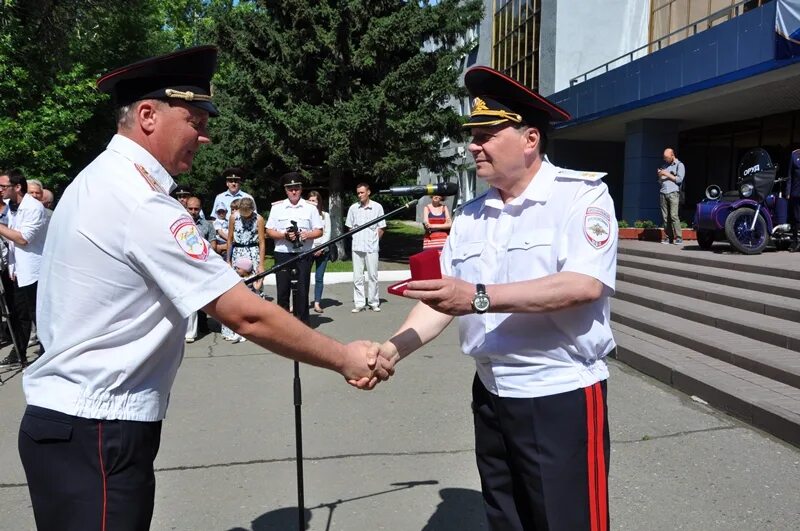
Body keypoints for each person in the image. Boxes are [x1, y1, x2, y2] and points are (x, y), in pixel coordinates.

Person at [17, 46, 393, 531]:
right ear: (148, 115)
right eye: (194, 118)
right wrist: (343, 358)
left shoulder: (98, 179)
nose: (205, 135)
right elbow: (246, 314)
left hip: (77, 426)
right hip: (97, 431)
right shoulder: (141, 202)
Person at [377, 66, 616, 531]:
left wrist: (480, 297)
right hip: (491, 394)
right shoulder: (470, 215)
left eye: (486, 133)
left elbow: (582, 285)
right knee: (507, 521)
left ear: (530, 139)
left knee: (570, 522)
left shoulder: (580, 198)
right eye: (472, 135)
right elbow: (441, 298)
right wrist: (392, 350)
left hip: (558, 394)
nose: (473, 145)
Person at [0, 169, 48, 367]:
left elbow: (23, 238)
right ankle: (19, 354)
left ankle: (47, 355)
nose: (0, 190)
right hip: (17, 270)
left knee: (39, 315)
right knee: (19, 314)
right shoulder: (11, 206)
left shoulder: (34, 208)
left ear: (17, 187)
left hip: (34, 271)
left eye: (3, 186)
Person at [266, 172, 322, 323]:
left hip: (303, 252)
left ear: (301, 189)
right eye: (290, 189)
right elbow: (269, 230)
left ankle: (302, 323)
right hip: (283, 252)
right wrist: (284, 235)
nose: (294, 191)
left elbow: (319, 230)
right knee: (283, 290)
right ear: (285, 190)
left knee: (302, 290)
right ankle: (283, 324)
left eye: (296, 188)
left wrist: (307, 235)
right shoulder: (277, 208)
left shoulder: (310, 208)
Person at [345, 183, 385, 312]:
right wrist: (356, 238)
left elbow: (381, 227)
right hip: (357, 247)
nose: (360, 195)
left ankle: (373, 302)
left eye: (362, 192)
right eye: (358, 193)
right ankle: (359, 303)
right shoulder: (353, 208)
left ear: (368, 192)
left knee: (373, 275)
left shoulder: (377, 207)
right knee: (358, 276)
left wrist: (375, 241)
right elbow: (350, 227)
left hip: (371, 247)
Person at [185, 196, 216, 343]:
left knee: (203, 298)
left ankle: (202, 326)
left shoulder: (207, 225)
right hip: (184, 265)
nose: (193, 211)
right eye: (190, 208)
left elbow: (213, 244)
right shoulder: (180, 224)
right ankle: (189, 331)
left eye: (196, 209)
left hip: (202, 265)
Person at [227, 196, 265, 295]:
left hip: (253, 252)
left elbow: (261, 242)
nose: (245, 217)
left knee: (256, 283)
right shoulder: (234, 217)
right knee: (237, 284)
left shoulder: (259, 219)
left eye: (247, 215)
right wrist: (228, 260)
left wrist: (261, 264)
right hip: (238, 252)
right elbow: (230, 239)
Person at [307, 190, 331, 313]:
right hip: (309, 250)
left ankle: (317, 303)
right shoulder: (305, 215)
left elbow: (327, 233)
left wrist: (320, 248)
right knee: (303, 277)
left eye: (314, 201)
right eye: (310, 200)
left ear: (318, 202)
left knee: (319, 277)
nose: (312, 203)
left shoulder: (325, 215)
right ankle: (300, 303)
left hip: (323, 250)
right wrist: (312, 249)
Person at [657, 148, 685, 245]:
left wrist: (667, 174)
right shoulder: (664, 166)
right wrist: (660, 175)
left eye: (667, 158)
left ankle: (679, 237)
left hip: (674, 193)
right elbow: (660, 181)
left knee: (673, 215)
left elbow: (679, 180)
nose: (665, 160)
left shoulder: (679, 165)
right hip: (663, 192)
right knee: (665, 217)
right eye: (664, 158)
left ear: (672, 155)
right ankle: (669, 238)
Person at [786, 148, 800, 252]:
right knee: (796, 218)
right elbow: (790, 175)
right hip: (796, 192)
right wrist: (788, 192)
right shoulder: (794, 154)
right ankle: (796, 241)